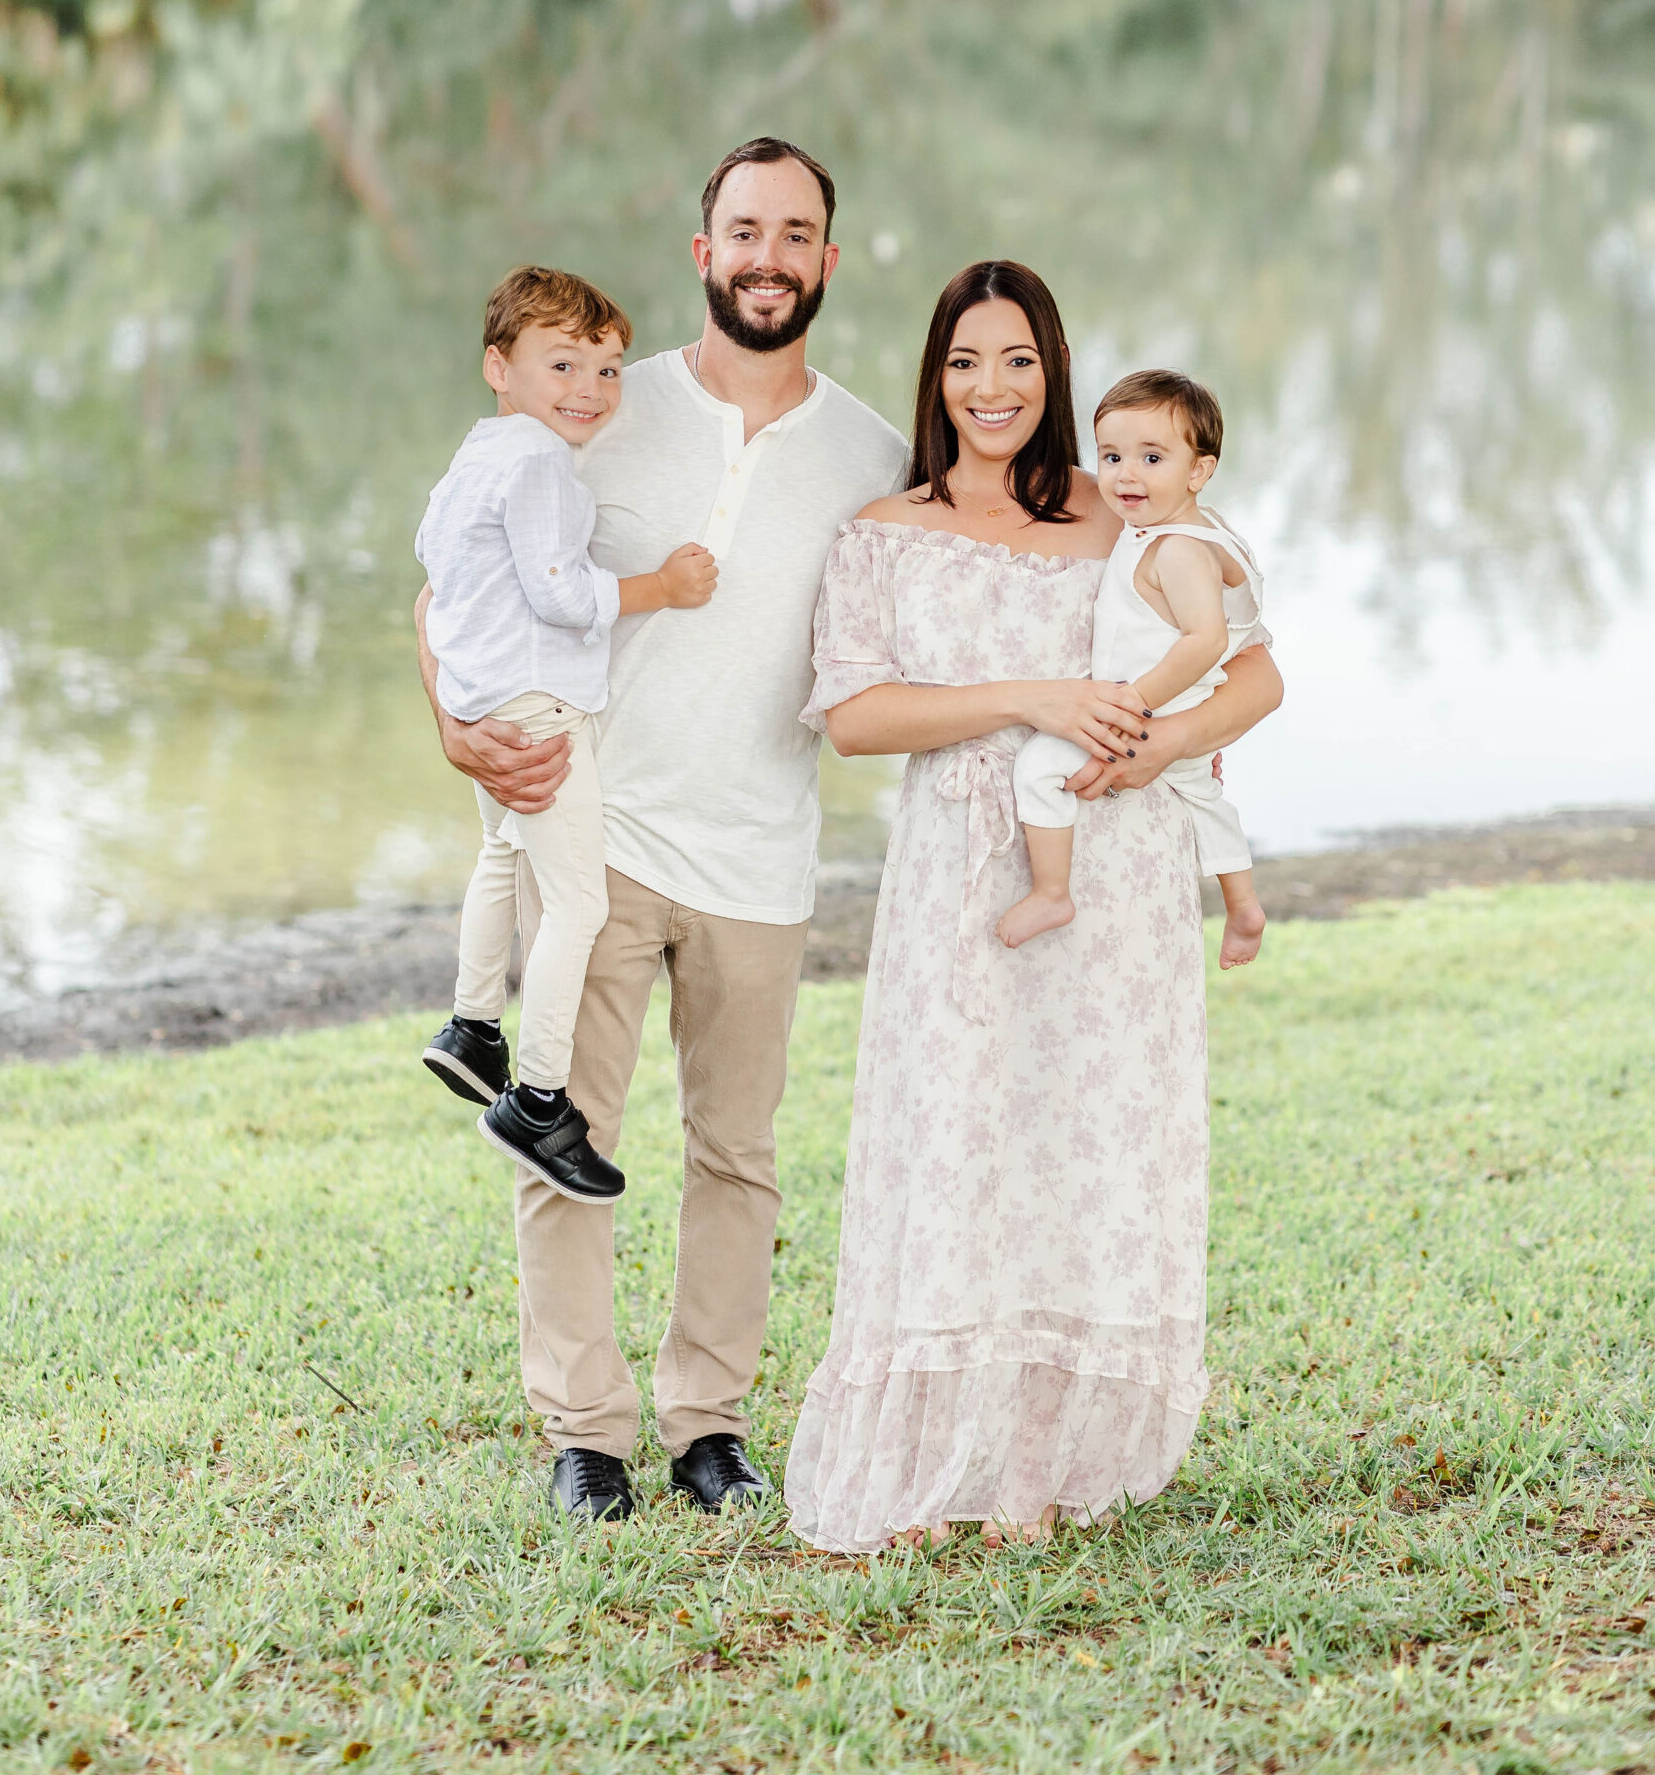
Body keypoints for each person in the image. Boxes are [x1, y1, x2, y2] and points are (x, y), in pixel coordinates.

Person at [414, 138, 906, 1524]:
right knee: (560, 1138)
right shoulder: (586, 405)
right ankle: (582, 1428)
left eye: (793, 232)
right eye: (741, 230)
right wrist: (456, 730)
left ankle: (708, 1422)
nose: (766, 255)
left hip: (761, 855)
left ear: (823, 258)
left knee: (736, 1156)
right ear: (703, 252)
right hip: (600, 833)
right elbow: (448, 586)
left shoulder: (872, 453)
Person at [783, 261, 1282, 1555]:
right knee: (956, 1140)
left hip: (1108, 875)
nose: (988, 388)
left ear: (1051, 370)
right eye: (963, 361)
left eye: (1014, 361)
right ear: (933, 375)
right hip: (955, 877)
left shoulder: (1122, 508)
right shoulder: (879, 531)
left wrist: (1162, 746)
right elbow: (850, 720)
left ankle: (1045, 1467)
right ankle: (933, 1461)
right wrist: (1030, 696)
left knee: (1078, 1144)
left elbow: (1252, 670)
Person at [413, 263, 718, 1202]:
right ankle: (538, 1101)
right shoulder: (541, 461)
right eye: (562, 366)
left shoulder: (476, 456)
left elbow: (436, 569)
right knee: (579, 906)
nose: (588, 390)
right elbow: (558, 590)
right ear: (498, 367)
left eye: (607, 369)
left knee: (500, 856)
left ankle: (470, 1028)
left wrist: (456, 697)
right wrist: (659, 588)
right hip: (538, 708)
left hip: (481, 698)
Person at [999, 368, 1268, 969]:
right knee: (1203, 796)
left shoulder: (1176, 549)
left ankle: (1050, 892)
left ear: (1199, 470)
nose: (1125, 474)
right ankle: (1242, 904)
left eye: (1152, 457)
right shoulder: (1180, 528)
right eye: (1113, 455)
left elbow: (1205, 640)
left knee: (1041, 765)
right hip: (1177, 710)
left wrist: (1134, 704)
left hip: (1150, 708)